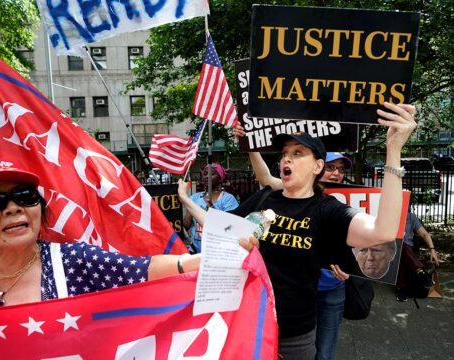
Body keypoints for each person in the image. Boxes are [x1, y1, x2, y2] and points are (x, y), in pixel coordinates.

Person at [178, 102, 416, 359]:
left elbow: (384, 231)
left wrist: (393, 151)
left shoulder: (327, 210)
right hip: (249, 325)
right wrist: (186, 199)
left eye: (298, 152)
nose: (287, 158)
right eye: (284, 153)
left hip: (294, 337)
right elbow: (219, 225)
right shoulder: (265, 198)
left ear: (317, 167)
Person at [0, 157, 258, 317]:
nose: (13, 208)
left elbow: (146, 268)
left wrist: (223, 252)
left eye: (25, 196)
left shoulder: (75, 263)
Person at [231, 126, 354, 360]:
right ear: (318, 168)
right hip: (294, 299)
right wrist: (250, 145)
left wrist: (352, 265)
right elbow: (265, 178)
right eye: (330, 167)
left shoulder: (337, 206)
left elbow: (366, 239)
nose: (335, 173)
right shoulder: (289, 190)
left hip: (330, 288)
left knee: (324, 352)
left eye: (340, 169)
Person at [184, 163, 239, 253]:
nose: (207, 177)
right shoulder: (195, 197)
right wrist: (190, 209)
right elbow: (186, 225)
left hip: (217, 252)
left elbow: (230, 227)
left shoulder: (228, 199)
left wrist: (213, 208)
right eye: (205, 174)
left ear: (220, 178)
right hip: (195, 251)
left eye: (212, 174)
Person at [396, 210, 439, 301]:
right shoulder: (389, 216)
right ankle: (420, 271)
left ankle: (402, 288)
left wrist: (432, 250)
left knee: (402, 253)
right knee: (399, 244)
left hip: (407, 250)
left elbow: (424, 233)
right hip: (393, 247)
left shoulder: (411, 217)